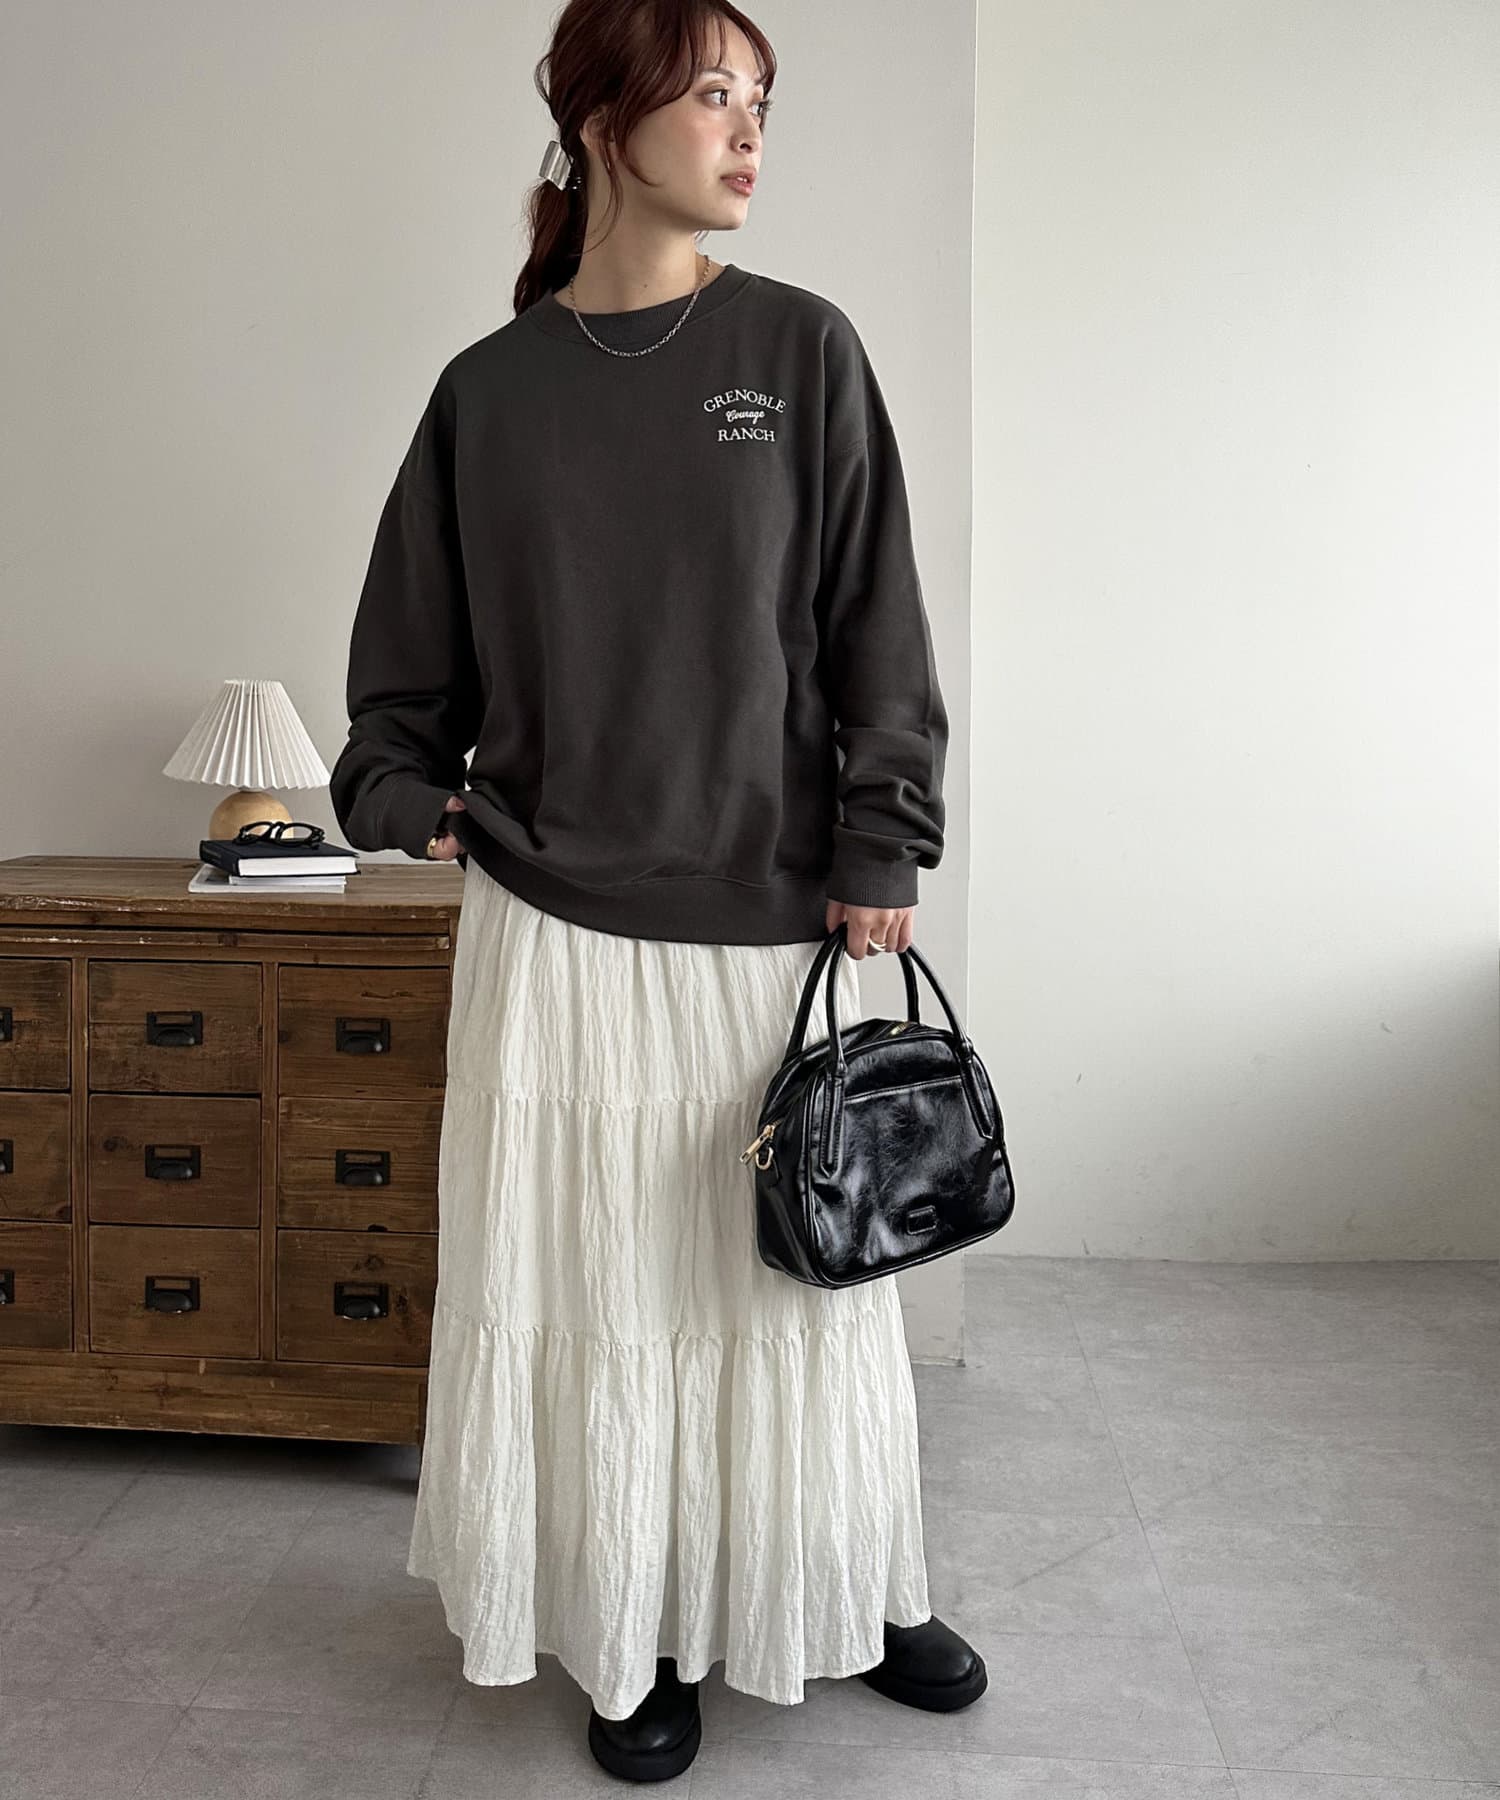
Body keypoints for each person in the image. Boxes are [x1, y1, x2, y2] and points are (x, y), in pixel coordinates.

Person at [329, 0, 985, 1781]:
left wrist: (883, 837)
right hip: (554, 937)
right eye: (711, 93)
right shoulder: (488, 395)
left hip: (771, 924)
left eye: (762, 97)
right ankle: (635, 1628)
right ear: (604, 120)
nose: (749, 129)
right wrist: (409, 800)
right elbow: (397, 694)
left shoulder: (804, 348)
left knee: (798, 1292)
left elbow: (878, 624)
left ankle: (848, 1583)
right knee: (610, 1298)